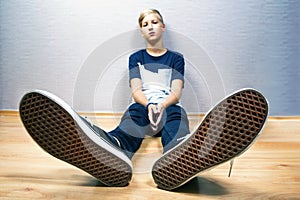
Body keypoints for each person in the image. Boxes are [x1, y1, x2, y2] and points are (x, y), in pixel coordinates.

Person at [19, 9, 268, 191]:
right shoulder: (135, 57)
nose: (150, 26)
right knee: (130, 124)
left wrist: (162, 105)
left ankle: (180, 155)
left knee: (177, 122)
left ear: (162, 27)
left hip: (169, 107)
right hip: (142, 108)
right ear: (141, 31)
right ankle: (110, 147)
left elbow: (177, 91)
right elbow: (136, 89)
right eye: (145, 23)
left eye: (155, 21)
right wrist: (148, 105)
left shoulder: (176, 58)